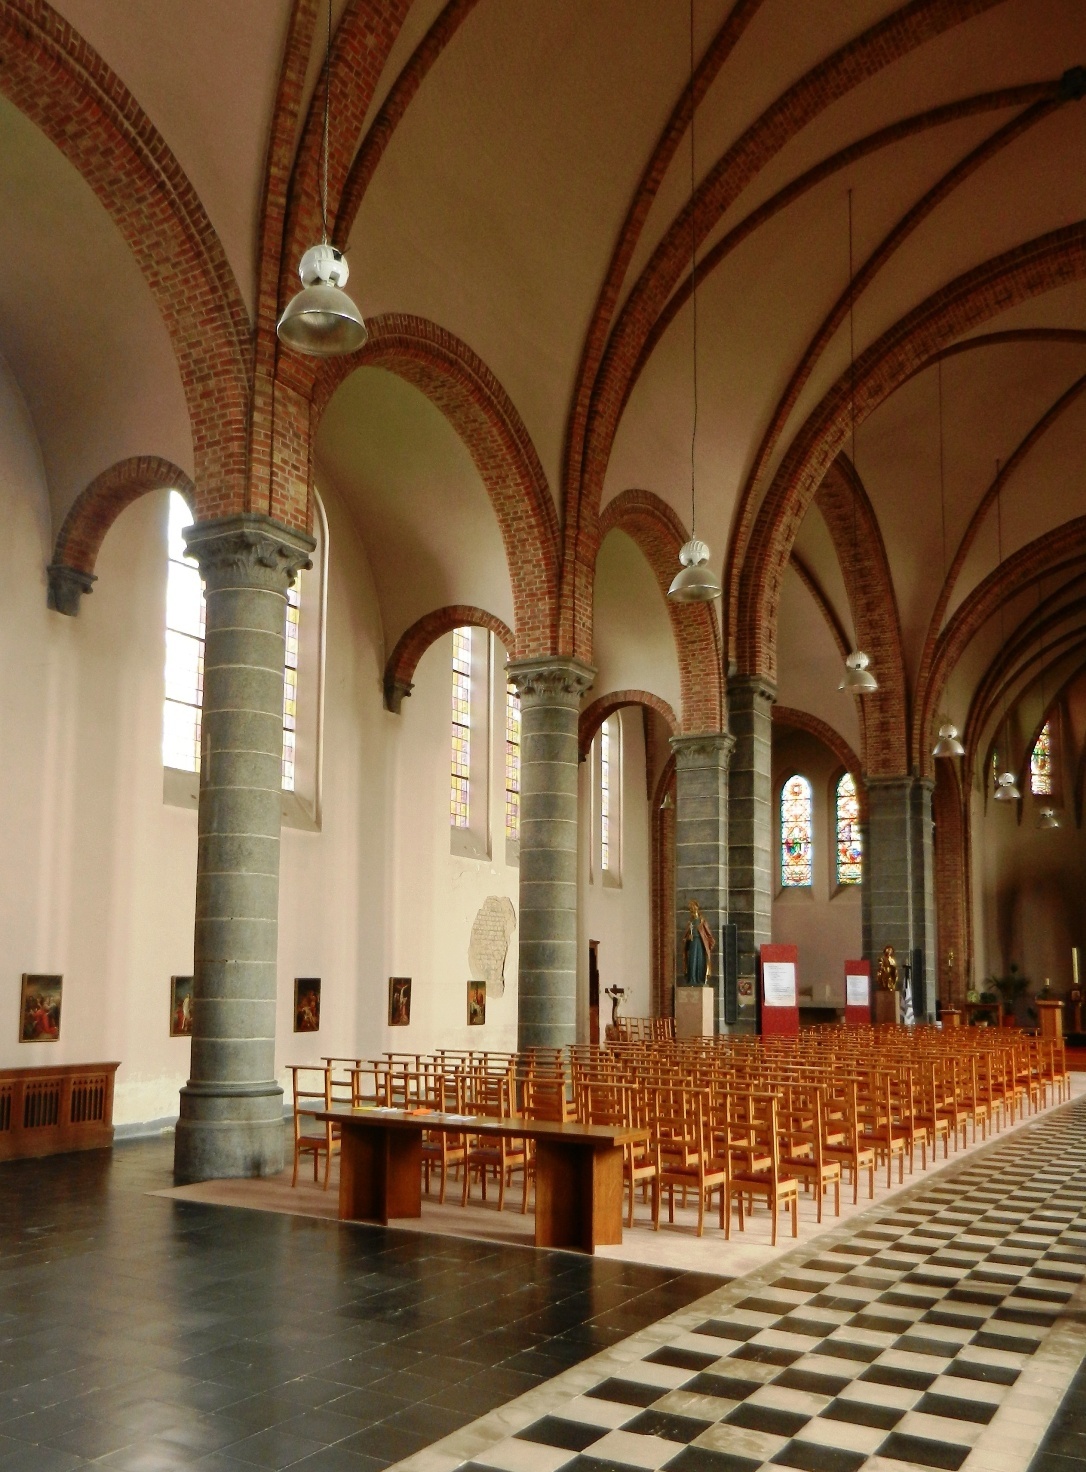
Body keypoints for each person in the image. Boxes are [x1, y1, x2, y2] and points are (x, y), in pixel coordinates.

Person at [683, 900, 714, 986]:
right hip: (692, 943)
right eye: (690, 909)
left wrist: (708, 946)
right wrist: (688, 938)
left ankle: (700, 979)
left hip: (700, 944)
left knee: (700, 961)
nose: (692, 910)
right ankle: (692, 979)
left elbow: (709, 936)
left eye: (693, 907)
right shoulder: (690, 922)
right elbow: (685, 938)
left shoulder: (702, 921)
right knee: (692, 961)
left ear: (697, 908)